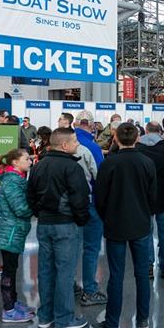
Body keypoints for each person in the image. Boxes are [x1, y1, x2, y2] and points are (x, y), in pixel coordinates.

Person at [90, 123, 157, 328]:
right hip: (140, 224)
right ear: (137, 138)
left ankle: (112, 324)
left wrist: (107, 216)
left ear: (116, 138)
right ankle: (144, 320)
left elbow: (99, 197)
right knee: (142, 274)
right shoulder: (147, 162)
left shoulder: (109, 163)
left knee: (116, 276)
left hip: (115, 224)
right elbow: (153, 196)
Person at [27, 127, 90, 328]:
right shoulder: (73, 168)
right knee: (65, 271)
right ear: (64, 145)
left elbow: (31, 195)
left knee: (45, 270)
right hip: (66, 224)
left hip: (44, 224)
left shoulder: (39, 165)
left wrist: (40, 212)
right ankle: (63, 319)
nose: (76, 145)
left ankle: (45, 316)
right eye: (74, 142)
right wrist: (81, 220)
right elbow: (79, 198)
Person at [0, 149, 36, 322]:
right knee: (9, 270)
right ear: (15, 163)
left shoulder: (13, 179)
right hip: (8, 232)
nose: (30, 162)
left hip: (10, 232)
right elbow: (21, 208)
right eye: (26, 159)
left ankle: (13, 303)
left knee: (12, 267)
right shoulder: (13, 182)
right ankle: (8, 310)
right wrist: (37, 205)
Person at [72, 111, 107, 306]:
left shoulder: (64, 143)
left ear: (76, 123)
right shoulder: (92, 147)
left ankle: (69, 285)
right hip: (90, 202)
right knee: (91, 248)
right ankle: (90, 290)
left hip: (68, 204)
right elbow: (100, 177)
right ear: (91, 125)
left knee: (72, 247)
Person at [137, 121, 164, 277]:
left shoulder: (138, 148)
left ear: (146, 130)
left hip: (144, 196)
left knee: (146, 232)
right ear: (161, 131)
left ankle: (148, 265)